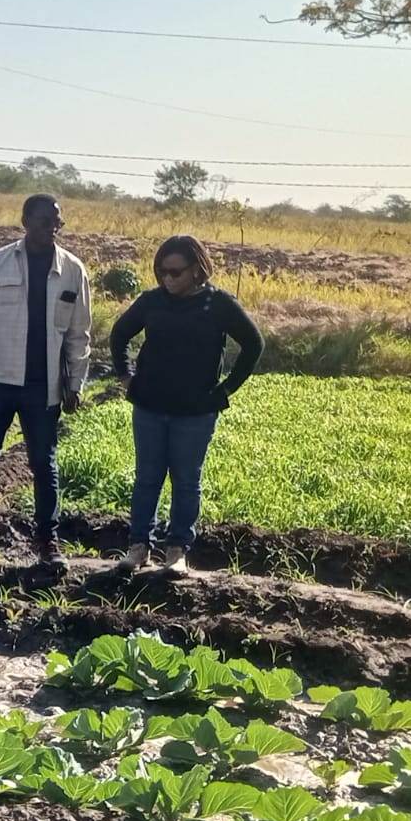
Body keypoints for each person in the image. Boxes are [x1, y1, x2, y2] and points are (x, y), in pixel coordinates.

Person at [0, 194, 92, 574]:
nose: (51, 228)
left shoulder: (72, 270)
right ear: (25, 221)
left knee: (44, 462)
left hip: (44, 386)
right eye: (43, 220)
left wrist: (75, 382)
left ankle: (47, 539)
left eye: (56, 222)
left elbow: (79, 334)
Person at [110, 236, 263, 577]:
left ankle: (177, 551)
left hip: (195, 411)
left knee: (186, 481)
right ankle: (138, 548)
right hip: (150, 406)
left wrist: (226, 389)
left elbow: (254, 344)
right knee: (147, 478)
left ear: (197, 269)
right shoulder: (152, 301)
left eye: (175, 272)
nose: (168, 278)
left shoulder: (218, 304)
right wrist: (126, 376)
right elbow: (119, 335)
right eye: (162, 271)